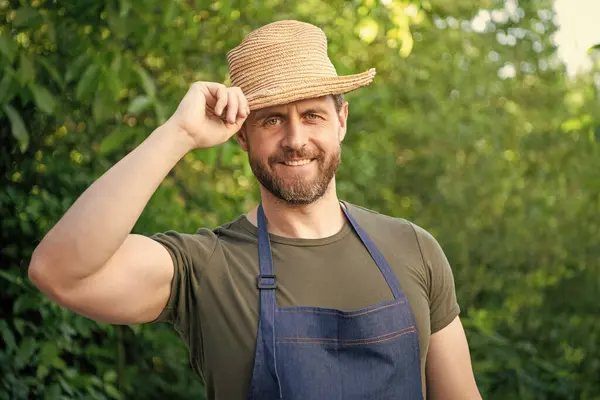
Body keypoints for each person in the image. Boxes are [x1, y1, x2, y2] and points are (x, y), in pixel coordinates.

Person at [28, 20, 481, 400]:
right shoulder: (206, 268)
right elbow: (59, 271)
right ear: (242, 136)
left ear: (341, 121)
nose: (295, 139)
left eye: (313, 116)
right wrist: (178, 134)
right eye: (272, 119)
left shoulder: (413, 249)